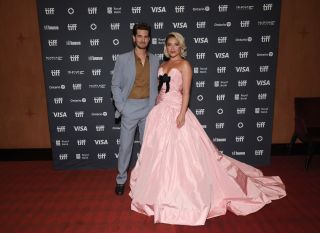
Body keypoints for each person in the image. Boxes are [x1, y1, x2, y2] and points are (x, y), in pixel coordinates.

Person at [129, 32, 286, 225]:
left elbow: (186, 92)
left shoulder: (185, 65)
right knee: (158, 154)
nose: (172, 48)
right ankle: (158, 191)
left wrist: (181, 113)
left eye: (176, 45)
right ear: (166, 47)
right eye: (169, 44)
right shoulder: (162, 66)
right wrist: (156, 109)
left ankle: (184, 193)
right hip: (159, 113)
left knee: (184, 156)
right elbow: (161, 90)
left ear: (181, 47)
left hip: (177, 111)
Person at [111, 23, 160, 196]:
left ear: (149, 39)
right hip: (129, 107)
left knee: (147, 147)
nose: (143, 39)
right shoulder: (123, 59)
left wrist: (155, 106)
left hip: (148, 108)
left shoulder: (155, 59)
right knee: (125, 146)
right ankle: (121, 179)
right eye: (139, 36)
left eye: (146, 36)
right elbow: (115, 84)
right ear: (134, 38)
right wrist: (121, 106)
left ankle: (144, 180)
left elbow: (158, 85)